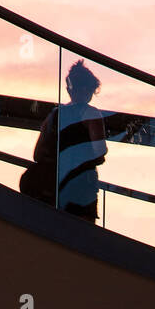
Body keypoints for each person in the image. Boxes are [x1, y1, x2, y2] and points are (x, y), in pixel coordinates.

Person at [21, 59, 106, 220]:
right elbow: (100, 152)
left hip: (51, 190)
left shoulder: (54, 115)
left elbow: (37, 154)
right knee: (83, 236)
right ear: (87, 89)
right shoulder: (91, 114)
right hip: (81, 190)